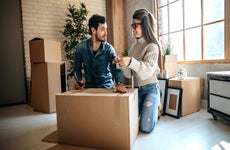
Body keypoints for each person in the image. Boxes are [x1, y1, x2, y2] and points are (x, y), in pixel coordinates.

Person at [113, 9, 163, 133]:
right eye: (132, 25)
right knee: (127, 122)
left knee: (145, 127)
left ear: (145, 26)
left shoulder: (152, 46)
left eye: (136, 25)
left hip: (151, 88)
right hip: (136, 90)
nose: (133, 28)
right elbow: (129, 74)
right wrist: (121, 64)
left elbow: (146, 72)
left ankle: (156, 106)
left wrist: (130, 61)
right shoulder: (133, 47)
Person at [74, 14, 128, 93]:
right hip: (89, 88)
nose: (106, 33)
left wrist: (119, 83)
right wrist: (79, 80)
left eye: (106, 29)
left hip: (106, 87)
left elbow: (116, 69)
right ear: (93, 30)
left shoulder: (109, 49)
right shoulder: (81, 47)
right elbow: (77, 68)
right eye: (102, 29)